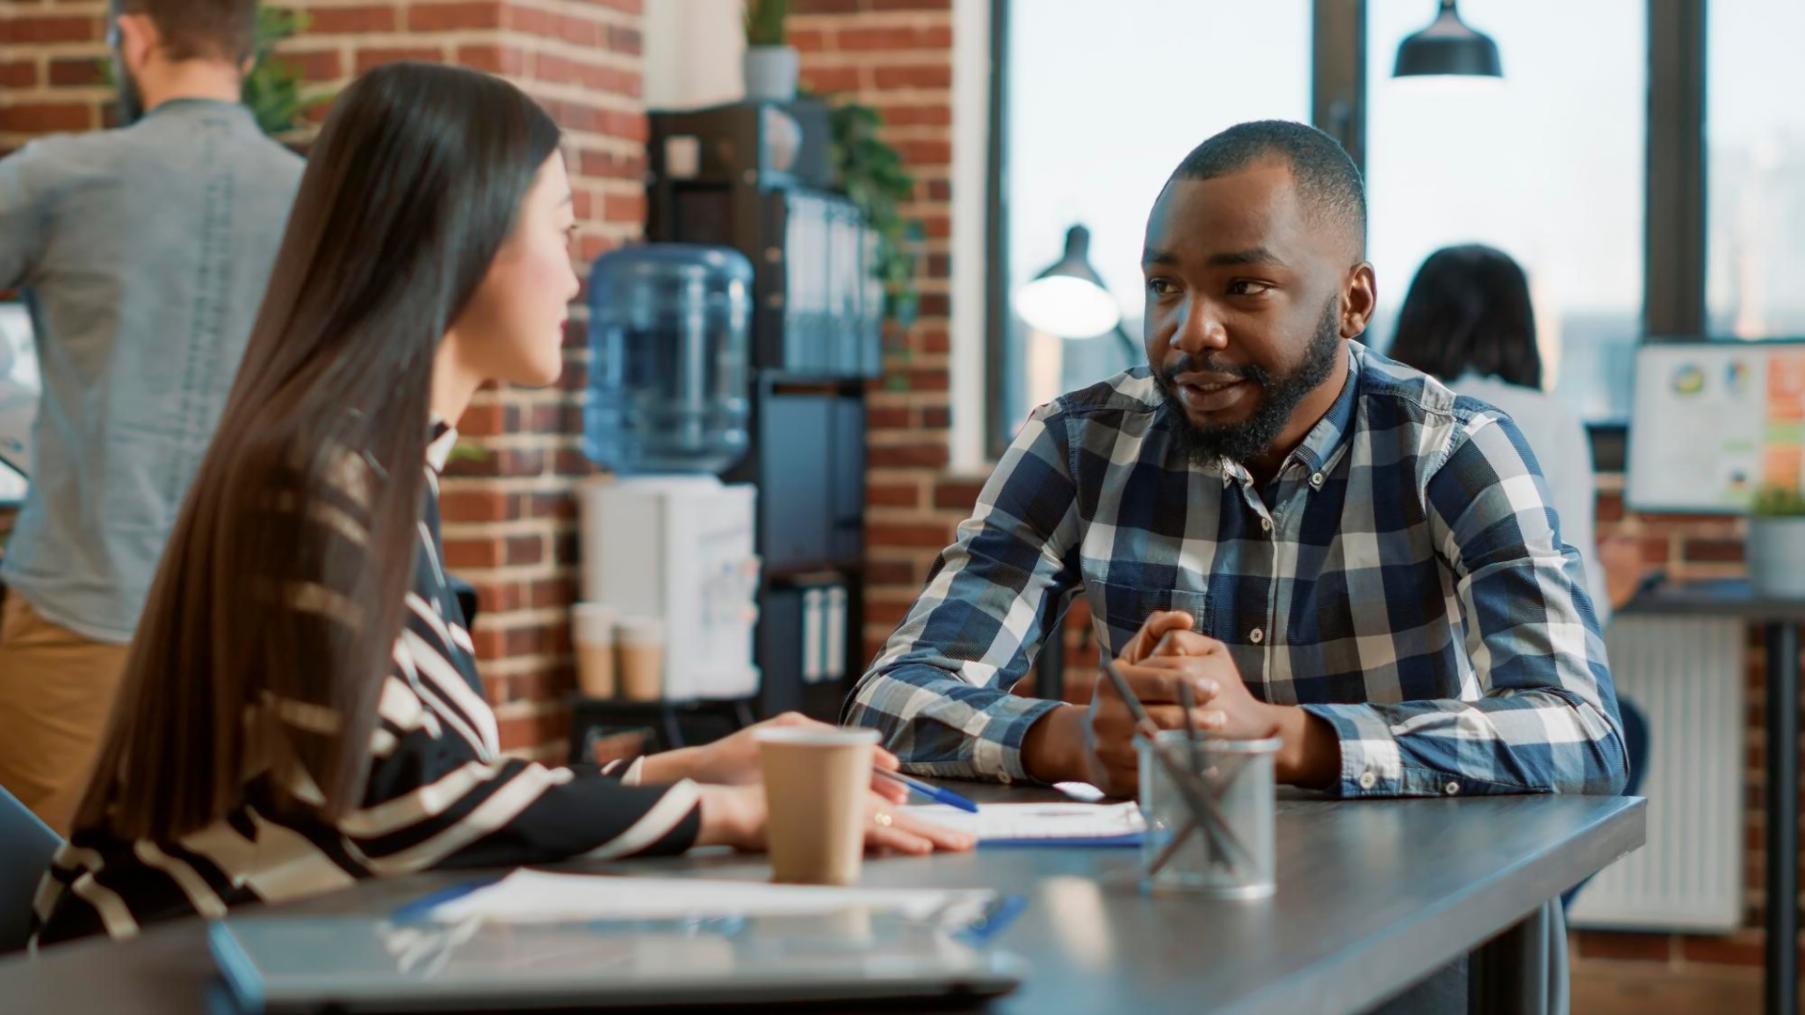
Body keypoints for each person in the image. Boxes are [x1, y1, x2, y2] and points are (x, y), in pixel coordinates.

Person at [31, 62, 969, 947]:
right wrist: (726, 810)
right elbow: (394, 799)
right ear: (465, 234)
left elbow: (435, 788)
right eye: (561, 233)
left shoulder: (372, 465)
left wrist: (690, 765)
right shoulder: (317, 470)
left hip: (252, 948)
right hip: (155, 967)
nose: (574, 277)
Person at [845, 121, 1627, 802]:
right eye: (1162, 286)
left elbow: (1582, 729)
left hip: (1402, 919)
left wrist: (1280, 736)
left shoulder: (1451, 447)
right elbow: (889, 700)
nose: (1190, 332)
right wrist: (1074, 740)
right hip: (1163, 906)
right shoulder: (1078, 442)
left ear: (1352, 302)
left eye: (1243, 286)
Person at [0, 0, 304, 834]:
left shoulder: (57, 176)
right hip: (256, 629)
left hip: (80, 608)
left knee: (39, 904)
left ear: (132, 37)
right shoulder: (315, 198)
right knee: (213, 889)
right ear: (244, 53)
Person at [1385, 243, 1653, 909]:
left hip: (1380, 708)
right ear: (1519, 326)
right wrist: (1613, 585)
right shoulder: (1547, 421)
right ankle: (1529, 925)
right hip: (1492, 720)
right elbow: (1569, 621)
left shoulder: (1380, 414)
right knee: (1618, 731)